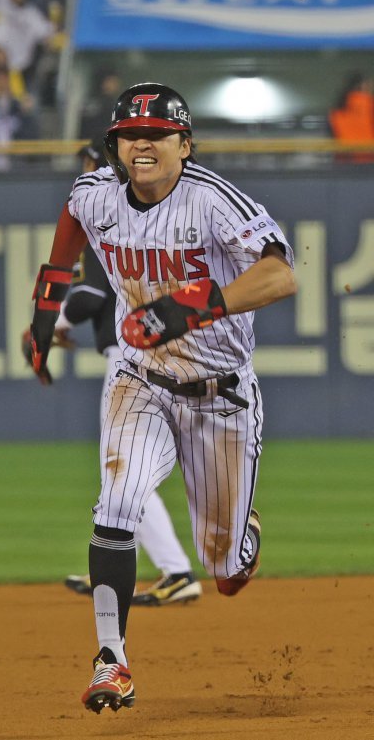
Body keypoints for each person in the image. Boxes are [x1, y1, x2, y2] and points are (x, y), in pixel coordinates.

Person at [24, 84, 297, 713]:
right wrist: (44, 319)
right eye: (128, 134)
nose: (140, 142)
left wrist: (190, 307)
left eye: (156, 133)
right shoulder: (95, 195)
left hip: (220, 396)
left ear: (184, 143)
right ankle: (111, 661)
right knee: (116, 503)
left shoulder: (211, 200)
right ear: (114, 146)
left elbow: (280, 273)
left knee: (223, 569)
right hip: (140, 379)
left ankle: (239, 539)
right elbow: (68, 238)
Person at [56, 142, 203, 609]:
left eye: (90, 166)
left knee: (122, 476)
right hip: (163, 354)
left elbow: (88, 296)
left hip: (134, 359)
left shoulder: (112, 217)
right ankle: (123, 561)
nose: (84, 175)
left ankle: (176, 569)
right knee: (123, 474)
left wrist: (55, 323)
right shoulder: (141, 212)